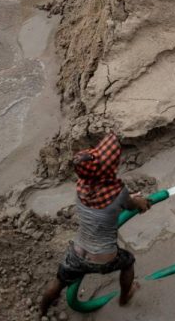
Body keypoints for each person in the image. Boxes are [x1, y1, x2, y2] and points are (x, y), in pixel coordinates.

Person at [39, 133, 151, 318]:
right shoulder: (119, 192)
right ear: (107, 169)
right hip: (103, 258)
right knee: (128, 262)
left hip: (77, 252)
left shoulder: (81, 186)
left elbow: (107, 198)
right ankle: (125, 296)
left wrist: (128, 198)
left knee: (58, 281)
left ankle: (41, 310)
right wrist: (138, 201)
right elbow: (132, 205)